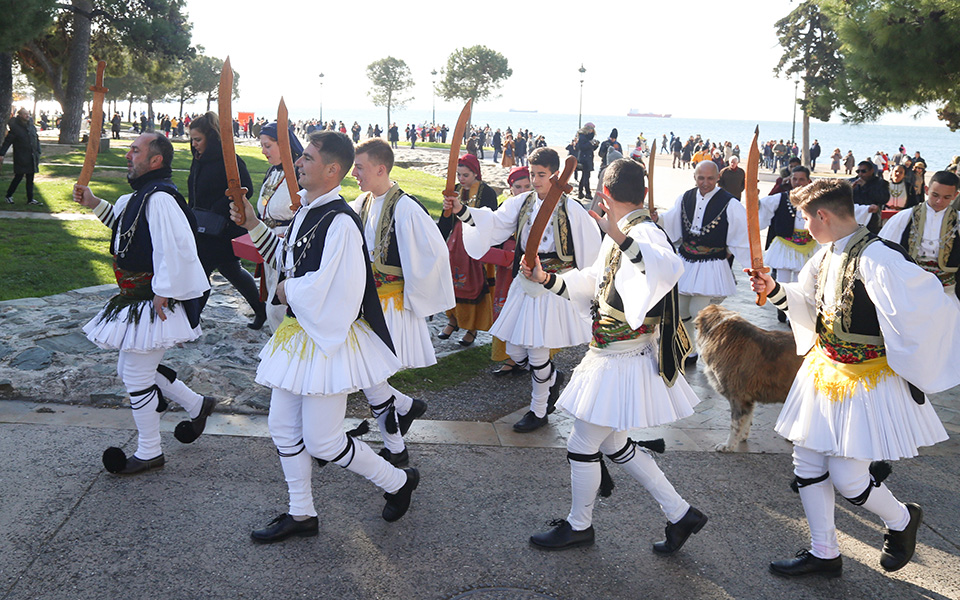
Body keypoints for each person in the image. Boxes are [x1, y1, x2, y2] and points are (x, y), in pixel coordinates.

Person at [748, 178, 957, 578]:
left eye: (806, 218)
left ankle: (900, 520)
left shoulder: (881, 259)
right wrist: (775, 289)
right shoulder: (825, 253)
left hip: (867, 382)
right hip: (824, 371)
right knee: (807, 463)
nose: (805, 225)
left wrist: (910, 353)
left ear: (822, 215)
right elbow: (808, 302)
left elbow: (932, 303)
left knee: (848, 478)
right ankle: (824, 552)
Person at [231, 131, 419, 543]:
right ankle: (302, 513)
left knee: (324, 440)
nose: (298, 163)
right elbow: (288, 259)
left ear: (332, 169)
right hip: (303, 335)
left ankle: (397, 481)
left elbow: (339, 290)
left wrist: (286, 291)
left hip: (326, 338)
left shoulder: (341, 224)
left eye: (308, 158)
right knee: (282, 426)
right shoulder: (307, 213)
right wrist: (252, 223)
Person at [525, 158, 707, 552]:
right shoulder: (622, 230)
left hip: (622, 356)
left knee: (581, 443)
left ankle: (579, 526)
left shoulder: (642, 232)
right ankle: (680, 514)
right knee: (613, 444)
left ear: (605, 193)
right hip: (613, 354)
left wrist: (623, 240)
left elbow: (667, 267)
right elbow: (595, 282)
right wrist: (546, 278)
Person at [72, 133, 214, 475]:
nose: (127, 155)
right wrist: (93, 203)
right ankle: (197, 405)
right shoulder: (141, 196)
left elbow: (176, 246)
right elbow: (128, 229)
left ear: (155, 161)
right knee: (131, 370)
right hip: (136, 299)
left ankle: (150, 450)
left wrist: (163, 289)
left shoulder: (161, 198)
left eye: (135, 150)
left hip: (153, 300)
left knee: (136, 373)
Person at [444, 148, 602, 432]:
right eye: (532, 174)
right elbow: (494, 223)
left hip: (553, 285)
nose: (536, 179)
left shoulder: (572, 208)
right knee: (515, 348)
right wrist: (462, 211)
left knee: (538, 351)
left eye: (541, 174)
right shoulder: (523, 202)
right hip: (525, 281)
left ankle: (538, 410)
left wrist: (584, 289)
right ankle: (551, 377)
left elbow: (590, 250)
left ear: (555, 174)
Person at [349, 138, 454, 465]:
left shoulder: (407, 207)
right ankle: (405, 413)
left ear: (381, 169)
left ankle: (396, 445)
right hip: (366, 307)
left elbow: (433, 253)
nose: (354, 173)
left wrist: (415, 295)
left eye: (360, 167)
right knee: (369, 376)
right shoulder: (362, 202)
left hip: (390, 306)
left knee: (369, 376)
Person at [656, 160, 750, 364]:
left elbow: (743, 235)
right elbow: (670, 220)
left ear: (718, 178)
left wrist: (752, 266)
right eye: (701, 178)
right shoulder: (685, 197)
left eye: (710, 178)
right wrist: (658, 219)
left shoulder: (730, 203)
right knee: (680, 310)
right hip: (686, 261)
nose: (705, 182)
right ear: (695, 177)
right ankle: (688, 350)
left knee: (696, 312)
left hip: (711, 264)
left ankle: (713, 348)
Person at [187, 112, 267, 329]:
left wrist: (218, 209)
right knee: (230, 270)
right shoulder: (199, 159)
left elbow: (246, 188)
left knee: (202, 271)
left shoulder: (228, 159)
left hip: (223, 228)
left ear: (210, 137)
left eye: (198, 139)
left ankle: (192, 322)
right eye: (191, 139)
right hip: (203, 227)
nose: (194, 144)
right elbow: (194, 192)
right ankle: (261, 310)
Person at [437, 154, 497, 347]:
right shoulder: (454, 190)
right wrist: (438, 239)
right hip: (455, 246)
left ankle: (472, 328)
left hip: (475, 245)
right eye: (459, 174)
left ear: (475, 173)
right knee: (452, 284)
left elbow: (491, 220)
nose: (461, 179)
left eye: (465, 175)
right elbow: (445, 219)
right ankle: (452, 320)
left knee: (475, 286)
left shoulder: (486, 192)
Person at [880, 170, 960, 310]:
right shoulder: (905, 217)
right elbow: (883, 251)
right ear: (927, 190)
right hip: (909, 287)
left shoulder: (958, 221)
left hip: (946, 290)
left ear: (955, 195)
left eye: (947, 197)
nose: (939, 201)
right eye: (935, 195)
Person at [256, 121, 303, 331]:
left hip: (288, 247)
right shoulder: (272, 173)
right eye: (262, 146)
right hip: (269, 244)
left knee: (280, 303)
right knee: (271, 298)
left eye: (268, 145)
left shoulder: (299, 175)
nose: (264, 151)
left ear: (283, 144)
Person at [1, 108, 42, 206]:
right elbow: (7, 142)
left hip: (32, 157)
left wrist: (38, 151)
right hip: (21, 157)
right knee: (18, 177)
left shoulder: (31, 126)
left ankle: (30, 199)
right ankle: (8, 196)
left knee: (30, 179)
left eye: (28, 114)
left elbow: (36, 139)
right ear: (19, 115)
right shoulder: (15, 128)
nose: (27, 116)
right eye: (25, 114)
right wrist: (1, 154)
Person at [850, 160, 889, 233]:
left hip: (872, 220)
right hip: (854, 217)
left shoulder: (880, 183)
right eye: (858, 171)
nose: (860, 174)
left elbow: (884, 199)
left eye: (863, 171)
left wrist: (865, 186)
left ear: (871, 171)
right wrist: (849, 189)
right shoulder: (851, 181)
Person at [576, 124, 598, 200]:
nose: (592, 130)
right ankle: (587, 193)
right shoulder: (582, 136)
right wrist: (590, 143)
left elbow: (590, 149)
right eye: (591, 129)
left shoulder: (589, 137)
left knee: (584, 177)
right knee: (586, 176)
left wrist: (595, 145)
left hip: (588, 158)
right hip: (584, 159)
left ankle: (581, 192)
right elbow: (581, 147)